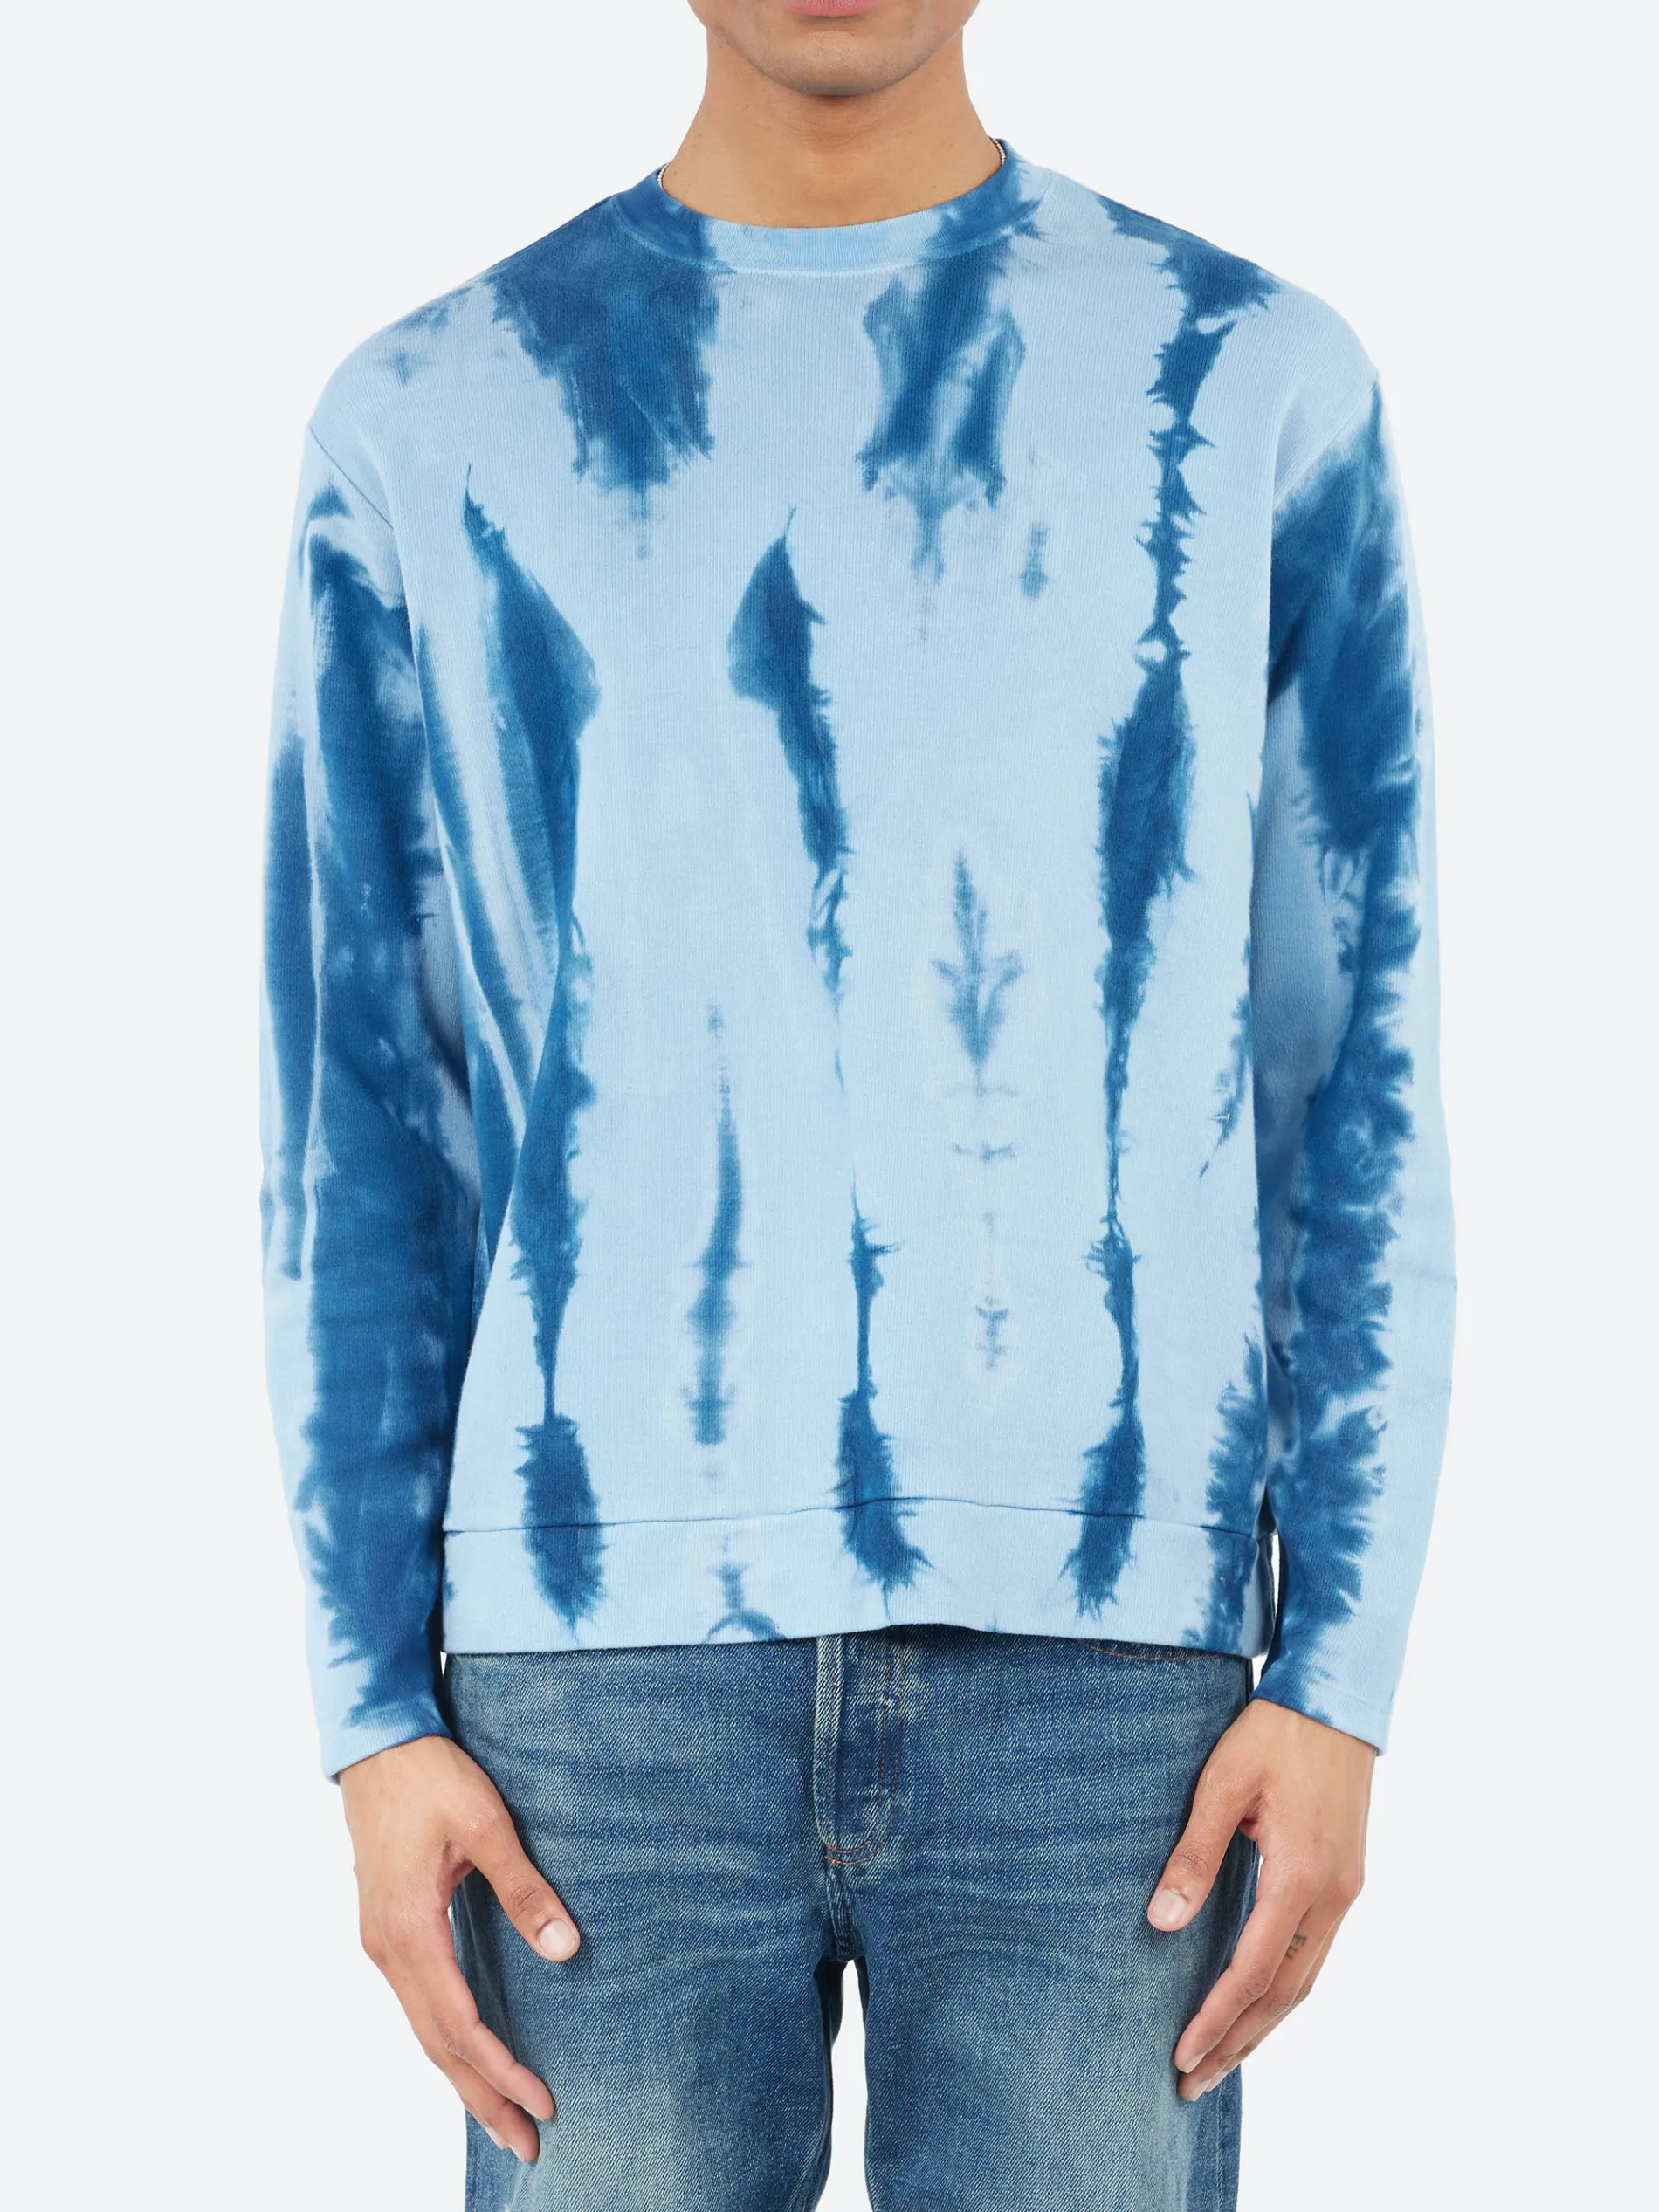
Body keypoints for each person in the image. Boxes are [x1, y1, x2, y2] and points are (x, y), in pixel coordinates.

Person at [259, 2, 1455, 2204]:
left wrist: (1338, 1675)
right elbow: (359, 1105)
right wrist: (371, 1715)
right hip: (585, 1686)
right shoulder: (428, 412)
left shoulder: (1249, 379)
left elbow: (1345, 1068)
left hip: (1112, 1682)